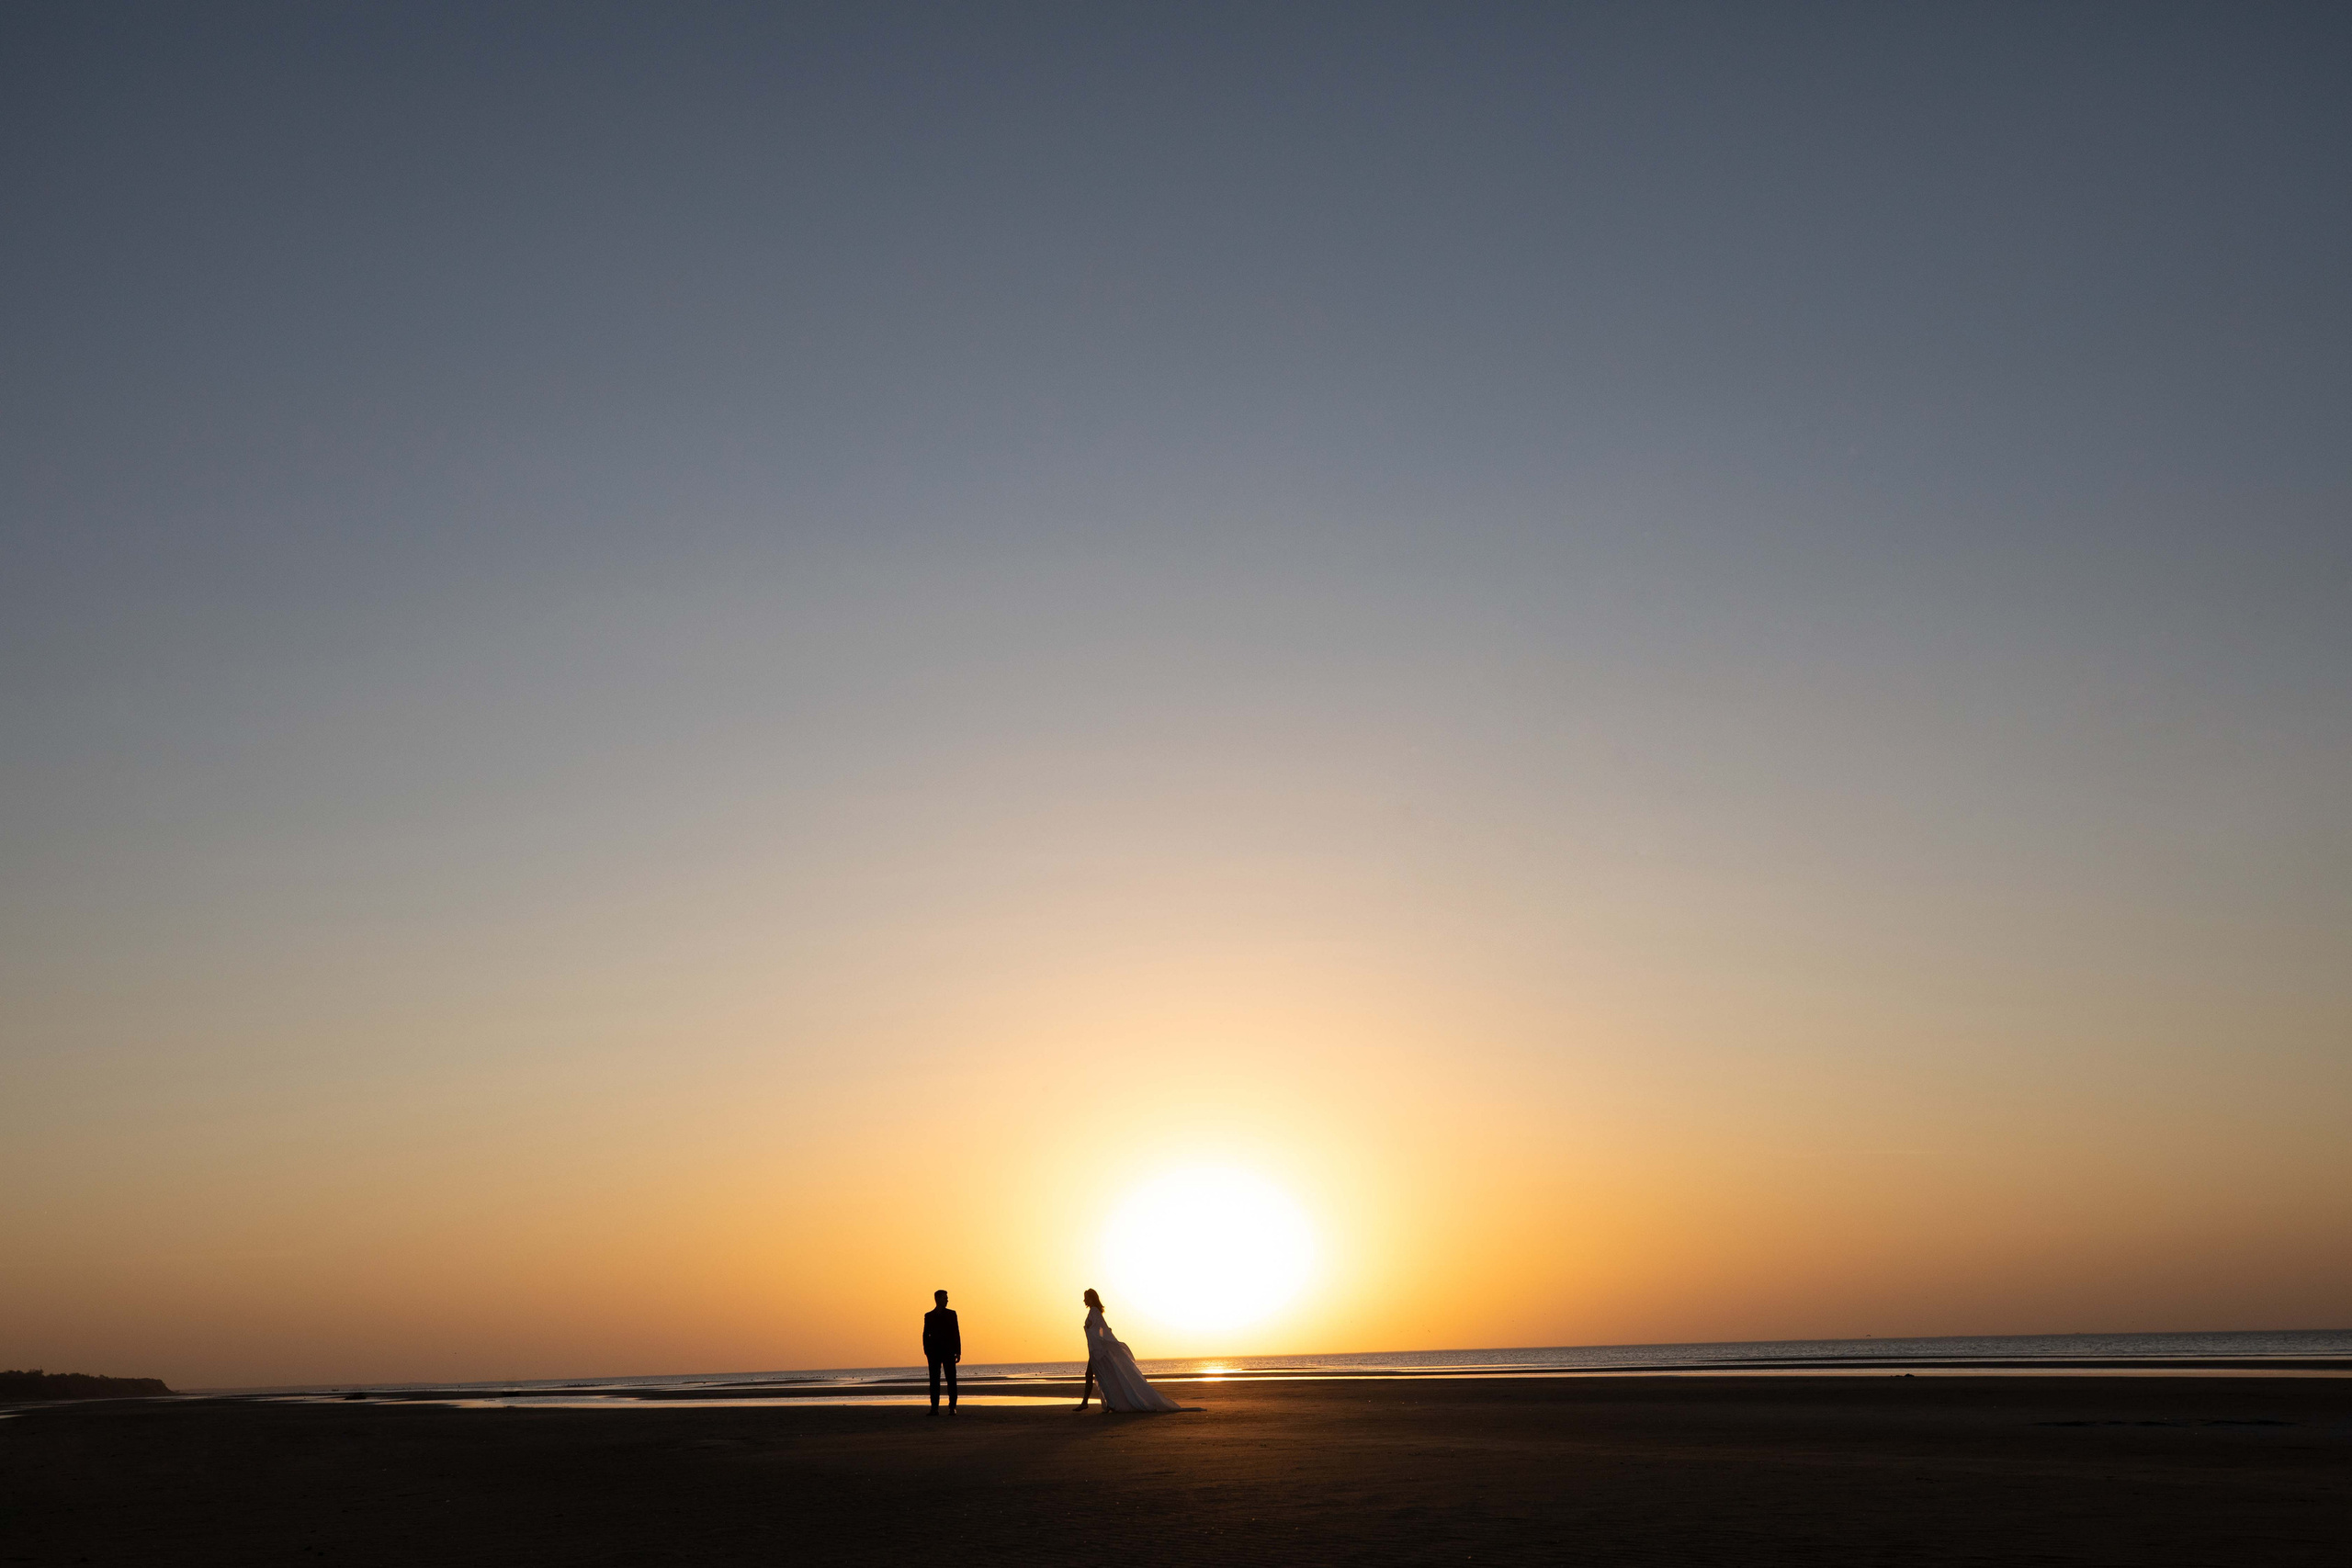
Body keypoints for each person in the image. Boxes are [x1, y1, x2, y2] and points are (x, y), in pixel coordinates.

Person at [1073, 1288, 1182, 1413]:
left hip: (1098, 1351)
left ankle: (1094, 1403)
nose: (1084, 1300)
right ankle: (1101, 1403)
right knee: (1098, 1375)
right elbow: (1103, 1329)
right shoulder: (1095, 1312)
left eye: (1086, 1297)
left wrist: (1097, 1334)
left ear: (1091, 1298)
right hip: (1096, 1350)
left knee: (1096, 1375)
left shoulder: (1094, 1311)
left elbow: (1100, 1330)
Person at [922, 1289, 960, 1415]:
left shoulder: (951, 1314)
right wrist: (926, 1350)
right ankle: (934, 1408)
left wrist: (958, 1351)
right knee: (934, 1380)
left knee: (951, 1379)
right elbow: (925, 1334)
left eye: (947, 1298)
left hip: (948, 1351)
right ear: (938, 1299)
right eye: (945, 1298)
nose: (947, 1300)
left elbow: (956, 1333)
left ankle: (952, 1407)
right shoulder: (929, 1316)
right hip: (934, 1352)